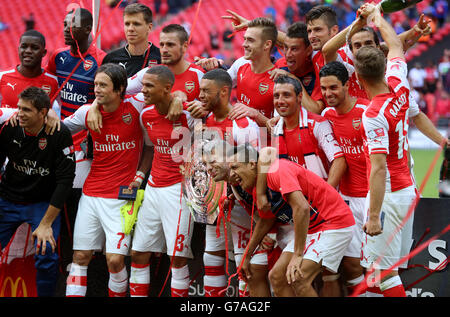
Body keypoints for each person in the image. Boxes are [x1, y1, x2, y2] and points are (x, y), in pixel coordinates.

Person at [258, 75, 347, 296]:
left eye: (286, 95)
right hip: (301, 216)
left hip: (326, 215)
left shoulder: (317, 124)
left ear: (300, 98)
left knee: (329, 276)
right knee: (280, 277)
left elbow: (339, 159)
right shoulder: (276, 128)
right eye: (276, 96)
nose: (280, 100)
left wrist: (325, 194)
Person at [229, 144, 355, 297]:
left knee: (298, 278)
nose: (232, 174)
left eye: (234, 167)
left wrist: (298, 255)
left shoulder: (277, 171)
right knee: (277, 277)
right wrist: (247, 256)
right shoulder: (258, 188)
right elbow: (265, 221)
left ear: (251, 164)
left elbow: (302, 208)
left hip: (333, 224)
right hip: (312, 228)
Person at [63, 63, 145, 297]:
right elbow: (61, 130)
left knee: (115, 260)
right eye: (95, 84)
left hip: (121, 196)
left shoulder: (137, 106)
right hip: (91, 193)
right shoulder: (86, 111)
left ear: (120, 89)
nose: (96, 89)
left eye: (103, 85)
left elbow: (155, 75)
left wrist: (139, 176)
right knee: (80, 257)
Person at [354, 6, 416, 297]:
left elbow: (377, 167)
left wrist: (374, 214)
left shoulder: (373, 113)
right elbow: (395, 44)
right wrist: (377, 17)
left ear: (357, 76)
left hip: (388, 196)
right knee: (381, 271)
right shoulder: (399, 84)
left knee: (384, 273)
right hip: (407, 190)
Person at [46, 7, 106, 273]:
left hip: (88, 145)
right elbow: (46, 91)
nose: (65, 30)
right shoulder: (57, 57)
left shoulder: (101, 59)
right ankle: (64, 260)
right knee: (61, 200)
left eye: (71, 25)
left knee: (79, 200)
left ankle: (87, 260)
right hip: (61, 139)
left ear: (86, 29)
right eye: (63, 24)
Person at [0, 86, 75, 296]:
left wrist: (46, 223)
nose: (19, 113)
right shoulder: (10, 125)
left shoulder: (60, 133)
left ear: (43, 113)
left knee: (46, 253)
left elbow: (65, 181)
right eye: (18, 108)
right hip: (8, 199)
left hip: (42, 203)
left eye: (26, 110)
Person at [128, 65, 195, 297]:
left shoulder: (189, 115)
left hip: (180, 191)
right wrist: (139, 177)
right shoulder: (145, 115)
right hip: (153, 188)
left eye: (149, 86)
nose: (143, 90)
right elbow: (150, 147)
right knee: (138, 253)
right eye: (143, 84)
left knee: (177, 258)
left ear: (167, 88)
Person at [198, 69, 266, 297]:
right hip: (211, 201)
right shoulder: (203, 118)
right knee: (211, 256)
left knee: (242, 258)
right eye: (200, 90)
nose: (201, 95)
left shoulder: (243, 124)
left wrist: (247, 199)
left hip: (240, 203)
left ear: (224, 91)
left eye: (206, 91)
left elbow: (254, 168)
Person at [319, 61, 370, 296]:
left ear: (347, 86)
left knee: (377, 266)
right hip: (346, 199)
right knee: (351, 265)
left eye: (333, 88)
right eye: (324, 89)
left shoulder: (366, 112)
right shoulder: (326, 116)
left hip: (372, 198)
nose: (328, 94)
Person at [126, 24, 204, 103]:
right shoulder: (149, 73)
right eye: (161, 45)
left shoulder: (199, 74)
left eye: (170, 45)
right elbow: (118, 91)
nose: (164, 50)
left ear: (184, 46)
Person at [0, 30, 59, 110]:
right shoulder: (2, 76)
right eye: (24, 47)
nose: (28, 51)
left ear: (44, 53)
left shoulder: (54, 81)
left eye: (34, 48)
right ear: (18, 49)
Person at [102, 3, 161, 77]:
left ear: (149, 27)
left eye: (136, 24)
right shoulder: (111, 59)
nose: (130, 29)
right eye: (127, 24)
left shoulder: (161, 58)